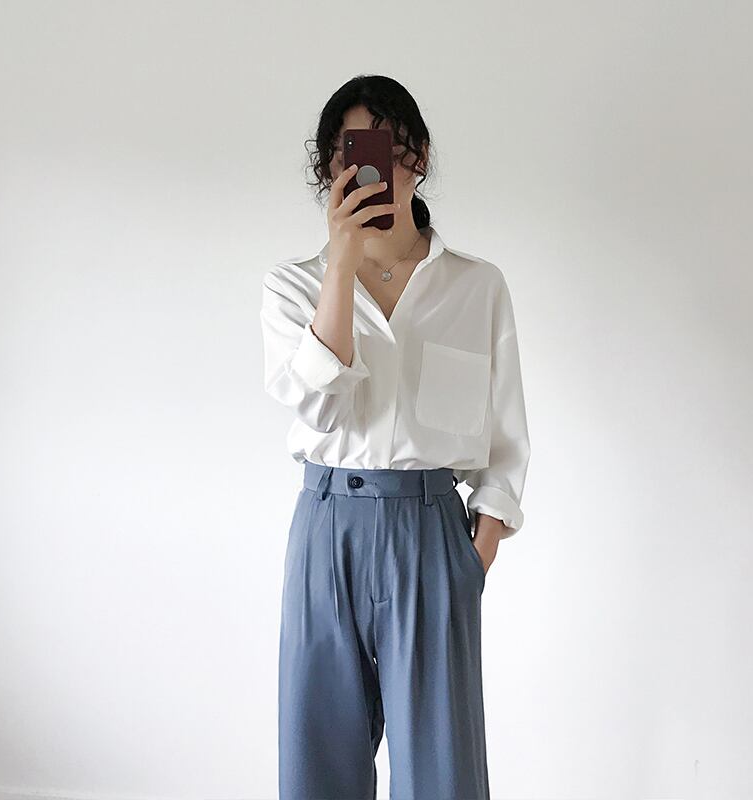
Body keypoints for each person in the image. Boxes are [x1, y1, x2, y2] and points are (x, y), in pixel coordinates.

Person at [259, 75, 531, 800]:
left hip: (431, 534)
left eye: (388, 145)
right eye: (351, 152)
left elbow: (506, 434)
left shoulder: (476, 286)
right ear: (331, 169)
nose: (373, 167)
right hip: (327, 530)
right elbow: (320, 408)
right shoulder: (292, 286)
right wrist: (341, 264)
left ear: (420, 155)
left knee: (442, 773)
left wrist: (478, 549)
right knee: (318, 765)